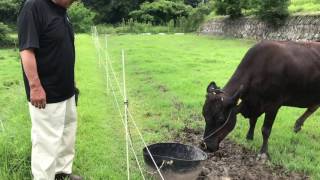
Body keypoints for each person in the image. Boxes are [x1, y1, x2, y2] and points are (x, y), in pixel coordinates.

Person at [18, 0, 82, 179]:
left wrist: (72, 83)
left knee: (67, 133)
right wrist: (35, 87)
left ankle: (62, 172)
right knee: (46, 141)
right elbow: (26, 51)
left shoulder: (62, 10)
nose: (72, 3)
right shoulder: (34, 7)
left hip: (67, 90)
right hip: (46, 93)